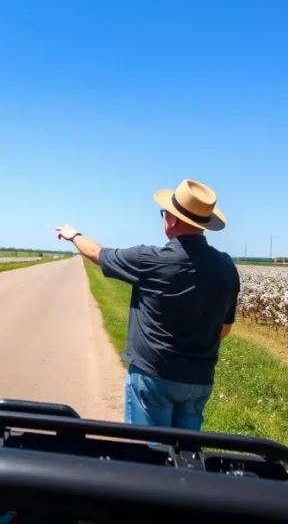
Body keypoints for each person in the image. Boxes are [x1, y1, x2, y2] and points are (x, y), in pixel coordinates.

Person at [55, 179, 240, 431]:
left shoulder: (151, 260)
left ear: (172, 220)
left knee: (148, 450)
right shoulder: (227, 267)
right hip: (199, 380)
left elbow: (98, 254)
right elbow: (224, 329)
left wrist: (73, 236)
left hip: (154, 375)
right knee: (187, 449)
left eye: (164, 213)